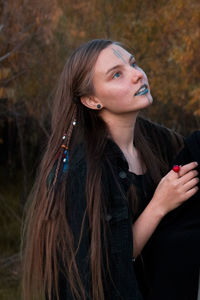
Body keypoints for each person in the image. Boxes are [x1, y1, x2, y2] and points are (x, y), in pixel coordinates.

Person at [22, 39, 199, 300]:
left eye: (133, 63)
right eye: (117, 74)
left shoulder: (158, 143)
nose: (138, 74)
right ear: (92, 99)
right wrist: (159, 205)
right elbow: (100, 270)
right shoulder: (85, 170)